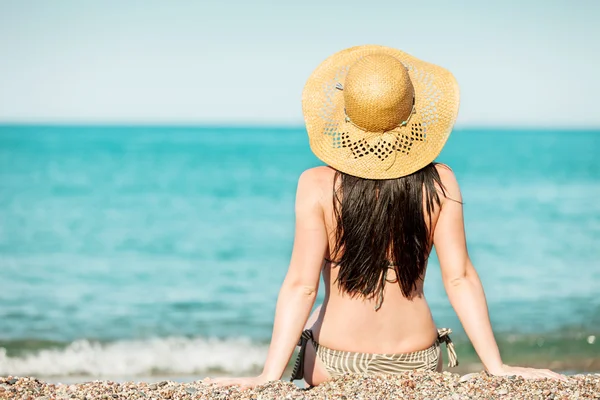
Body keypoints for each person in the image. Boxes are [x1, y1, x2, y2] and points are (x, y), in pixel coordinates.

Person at [206, 45, 564, 389]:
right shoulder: (439, 182)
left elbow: (302, 286)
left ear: (347, 115)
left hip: (336, 364)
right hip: (418, 362)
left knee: (318, 312)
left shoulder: (314, 184)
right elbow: (460, 278)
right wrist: (496, 366)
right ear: (410, 110)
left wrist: (269, 375)